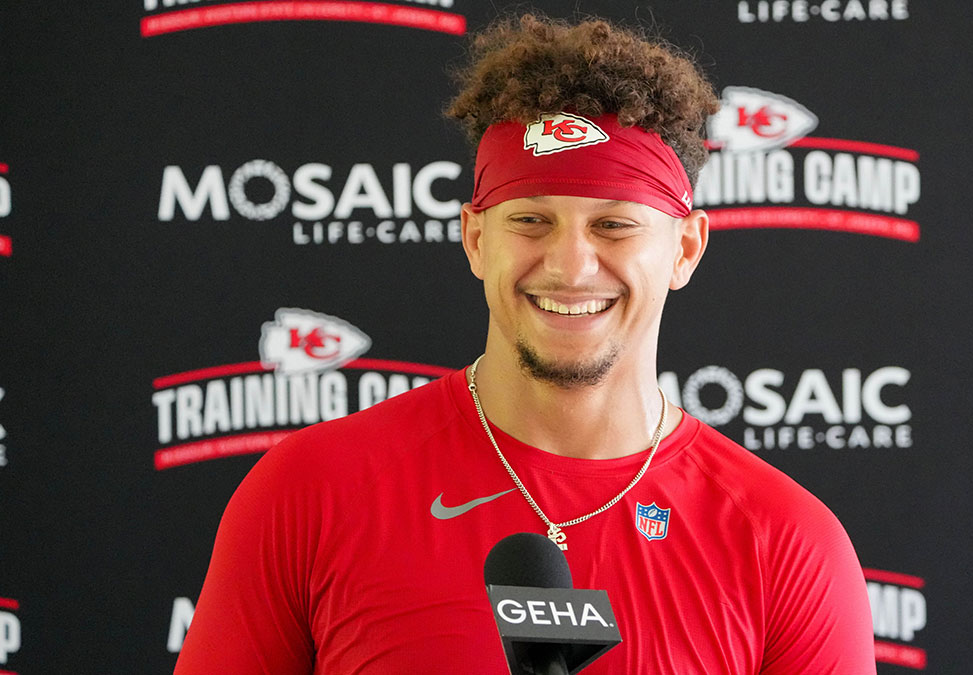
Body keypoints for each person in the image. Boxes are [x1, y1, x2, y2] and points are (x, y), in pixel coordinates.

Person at [176, 14, 876, 674]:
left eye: (614, 226)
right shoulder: (311, 492)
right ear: (477, 239)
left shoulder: (785, 542)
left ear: (685, 249)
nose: (570, 265)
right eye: (532, 219)